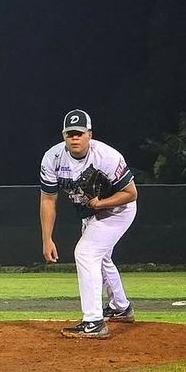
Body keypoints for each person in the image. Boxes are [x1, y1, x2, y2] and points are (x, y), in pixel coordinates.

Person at [39, 109, 138, 339]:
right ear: (63, 135)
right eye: (70, 133)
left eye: (80, 133)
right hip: (92, 212)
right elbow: (48, 199)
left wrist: (101, 203)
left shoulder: (107, 156)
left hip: (119, 210)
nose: (75, 137)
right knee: (100, 258)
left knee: (85, 253)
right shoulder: (52, 158)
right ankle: (121, 307)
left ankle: (93, 322)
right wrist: (47, 239)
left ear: (89, 134)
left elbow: (131, 193)